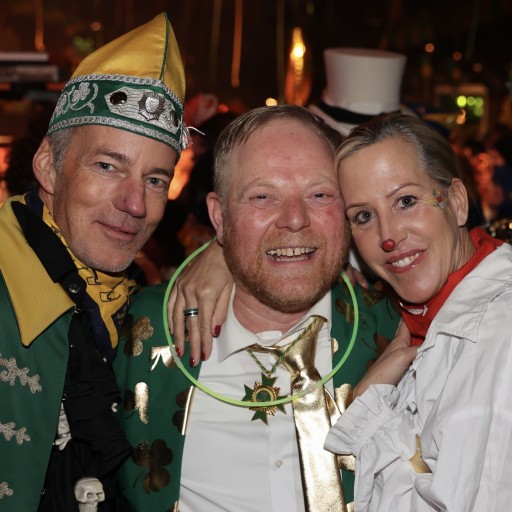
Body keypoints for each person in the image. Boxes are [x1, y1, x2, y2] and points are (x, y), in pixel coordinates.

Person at [114, 105, 400, 511]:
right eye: (262, 197)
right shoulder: (135, 332)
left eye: (320, 195)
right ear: (219, 216)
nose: (295, 219)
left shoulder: (401, 332)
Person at [0, 12, 188, 511]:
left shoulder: (138, 308)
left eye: (155, 180)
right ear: (48, 166)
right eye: (107, 166)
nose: (135, 204)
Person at [324, 113, 512, 511]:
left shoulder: (500, 330)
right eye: (364, 216)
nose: (388, 236)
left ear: (456, 202)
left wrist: (369, 408)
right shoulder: (411, 318)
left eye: (406, 201)